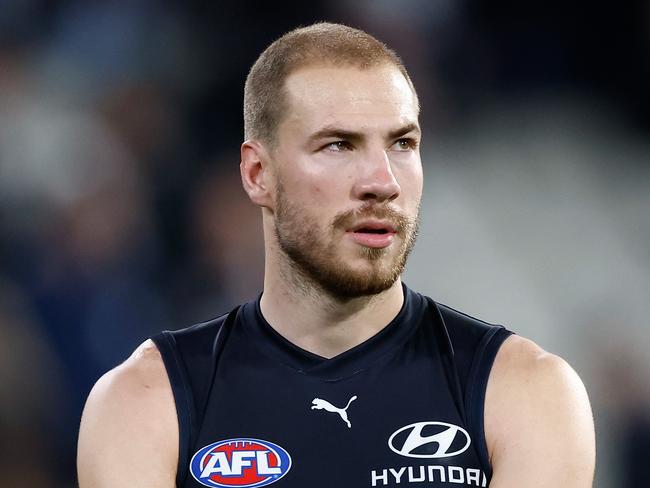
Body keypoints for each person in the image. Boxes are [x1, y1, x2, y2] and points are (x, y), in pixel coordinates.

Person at [77, 23, 595, 488]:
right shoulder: (144, 403)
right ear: (258, 175)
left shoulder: (526, 394)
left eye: (402, 144)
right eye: (338, 145)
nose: (382, 182)